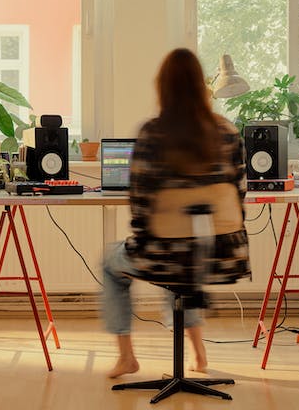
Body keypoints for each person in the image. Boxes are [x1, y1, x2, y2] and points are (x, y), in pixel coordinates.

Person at [102, 48, 250, 379]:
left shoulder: (153, 133)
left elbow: (139, 203)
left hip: (165, 254)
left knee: (116, 261)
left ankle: (126, 357)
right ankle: (198, 354)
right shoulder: (227, 131)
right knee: (184, 258)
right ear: (202, 86)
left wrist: (147, 239)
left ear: (162, 87)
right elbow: (239, 193)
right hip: (222, 253)